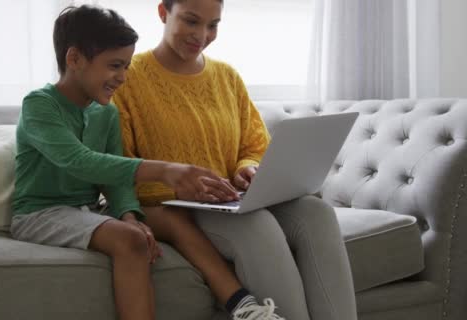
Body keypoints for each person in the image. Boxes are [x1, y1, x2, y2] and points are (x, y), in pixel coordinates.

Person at [10, 5, 282, 320]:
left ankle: (243, 306)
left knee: (149, 227)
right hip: (38, 214)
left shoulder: (106, 112)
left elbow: (114, 177)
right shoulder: (38, 105)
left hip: (88, 211)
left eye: (126, 66)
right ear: (74, 59)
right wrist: (166, 170)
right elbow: (79, 161)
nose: (123, 78)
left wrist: (128, 213)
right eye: (114, 66)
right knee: (131, 240)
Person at [112, 1, 359, 319]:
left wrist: (248, 169)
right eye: (191, 21)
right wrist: (180, 188)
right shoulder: (127, 81)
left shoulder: (227, 77)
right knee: (255, 225)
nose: (202, 35)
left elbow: (254, 145)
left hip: (231, 199)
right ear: (163, 13)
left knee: (316, 211)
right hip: (176, 208)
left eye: (213, 25)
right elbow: (119, 167)